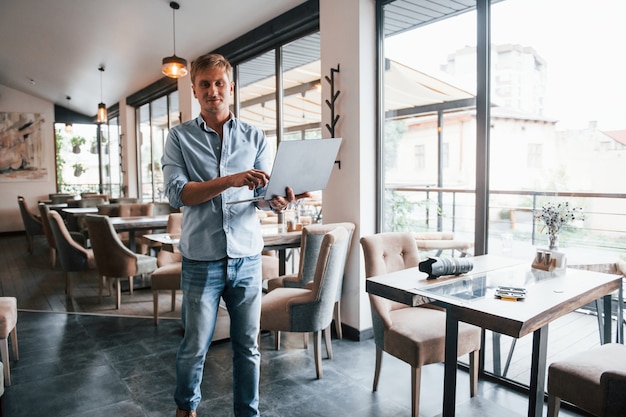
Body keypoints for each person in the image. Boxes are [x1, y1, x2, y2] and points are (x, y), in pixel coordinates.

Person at [161, 53, 309, 417]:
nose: (213, 90)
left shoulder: (255, 136)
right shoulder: (179, 137)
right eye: (205, 85)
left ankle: (248, 412)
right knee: (195, 345)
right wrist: (231, 179)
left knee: (248, 346)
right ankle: (186, 409)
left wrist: (280, 201)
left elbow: (260, 199)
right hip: (200, 259)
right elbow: (178, 194)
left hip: (246, 257)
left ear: (231, 87)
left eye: (219, 83)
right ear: (195, 91)